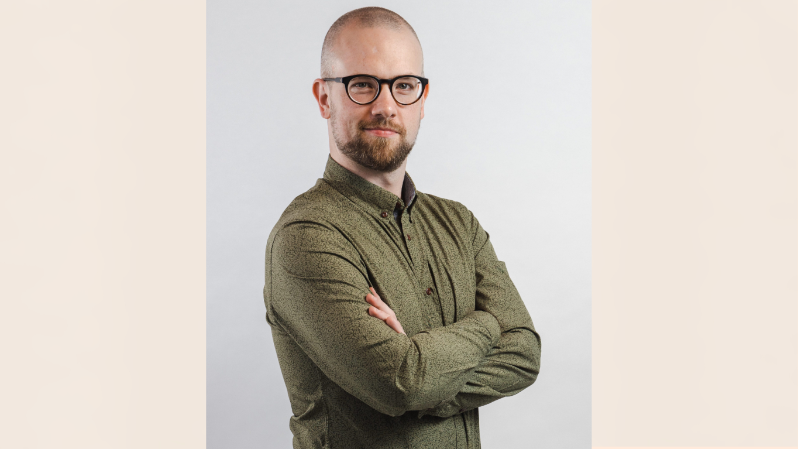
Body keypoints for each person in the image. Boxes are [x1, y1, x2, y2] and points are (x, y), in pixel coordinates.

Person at [263, 7, 541, 448]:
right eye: (362, 85)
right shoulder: (306, 236)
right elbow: (401, 383)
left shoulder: (458, 222)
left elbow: (525, 353)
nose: (386, 106)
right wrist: (489, 325)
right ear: (324, 98)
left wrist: (425, 366)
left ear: (423, 100)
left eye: (404, 85)